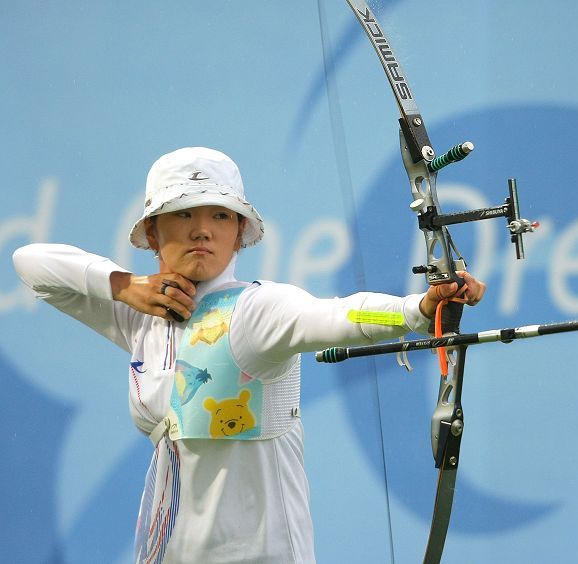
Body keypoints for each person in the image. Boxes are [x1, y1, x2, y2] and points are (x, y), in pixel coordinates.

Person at [12, 147, 485, 563]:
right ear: (152, 233)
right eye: (182, 213)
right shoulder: (141, 316)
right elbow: (31, 264)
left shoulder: (257, 309)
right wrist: (125, 287)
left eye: (220, 216)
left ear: (240, 232)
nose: (201, 229)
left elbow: (340, 315)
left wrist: (416, 309)